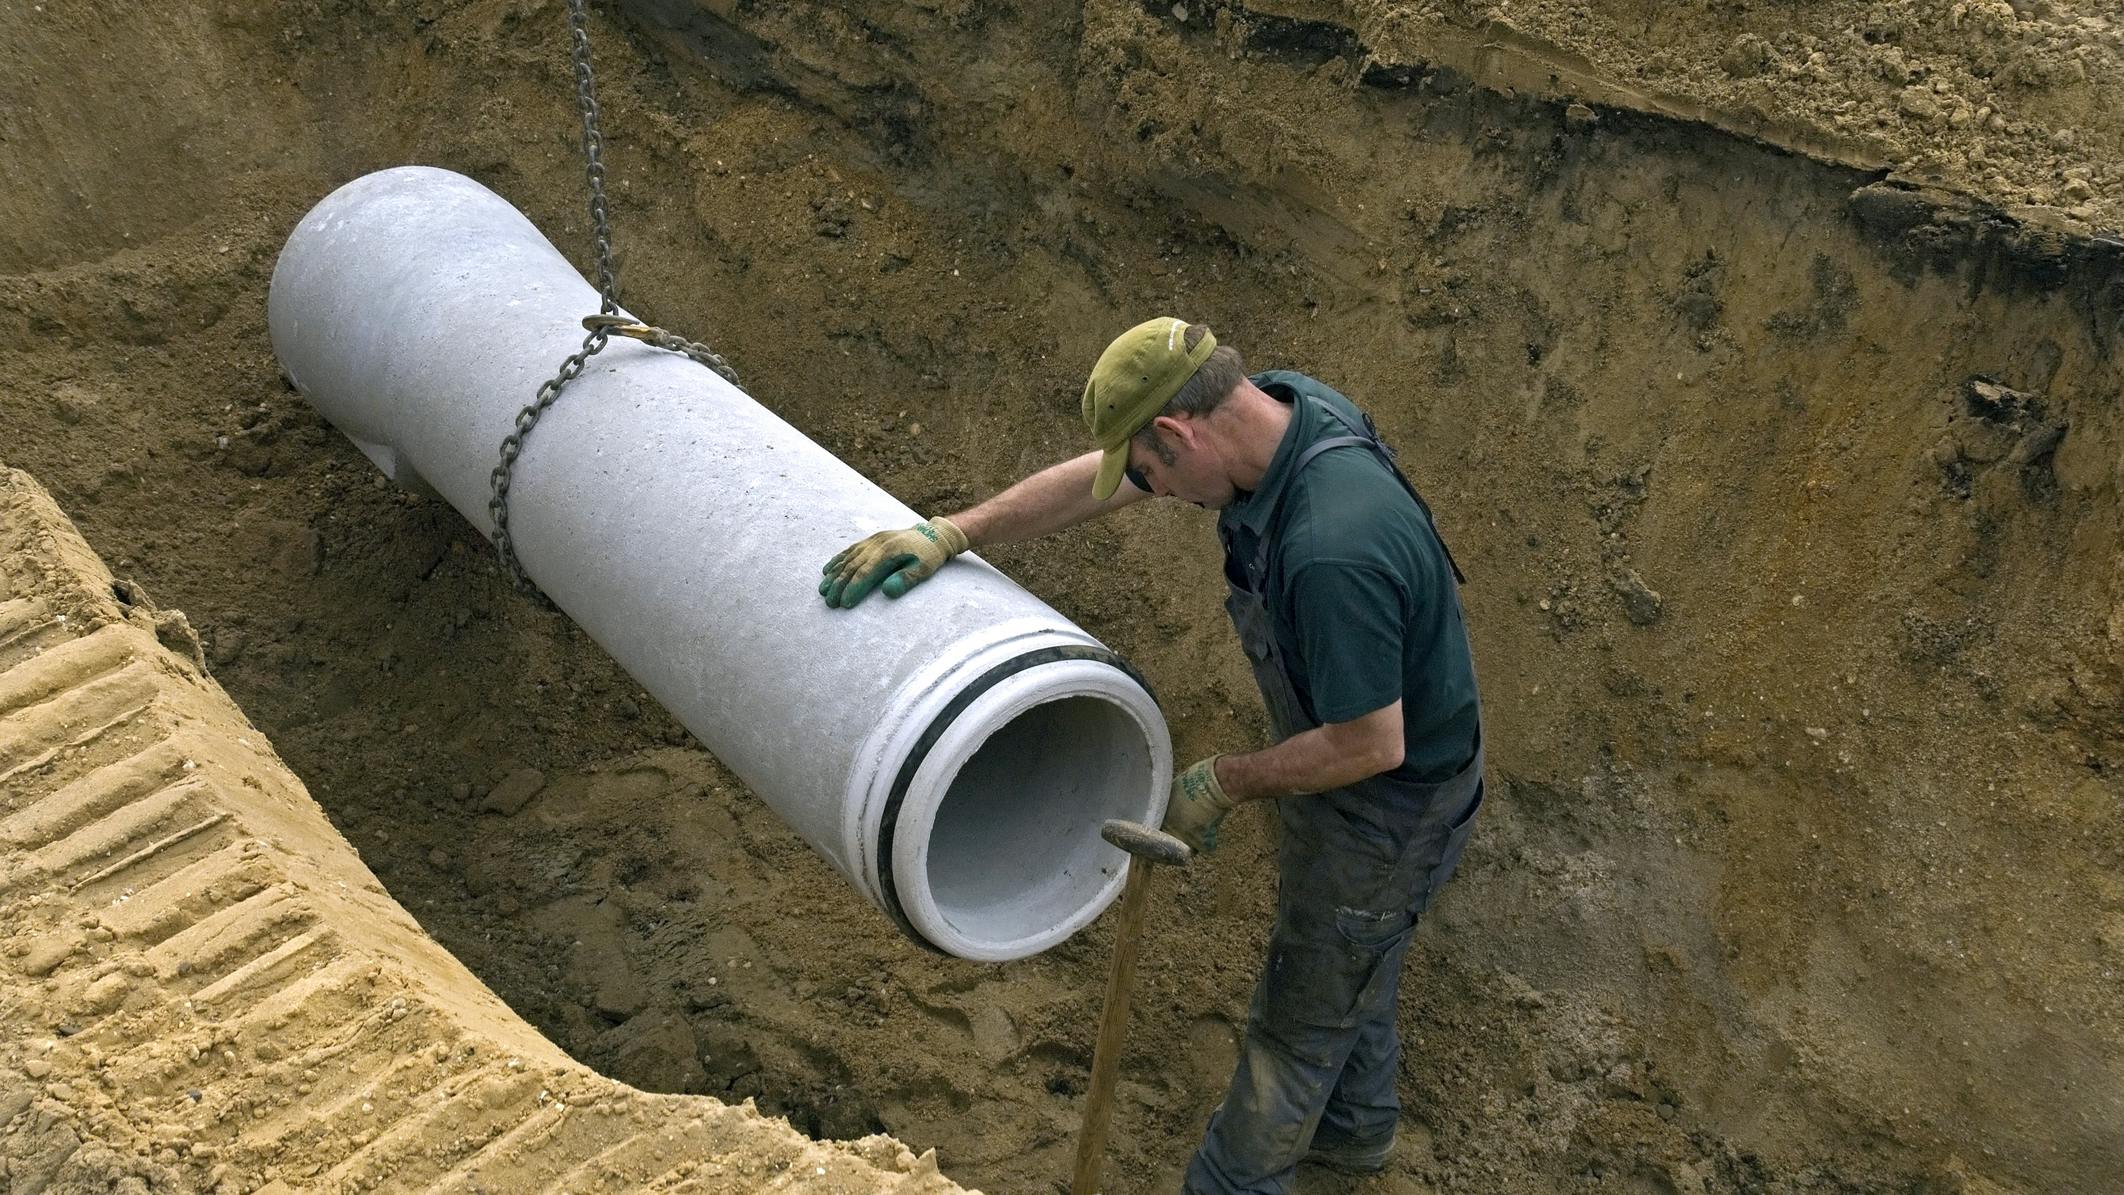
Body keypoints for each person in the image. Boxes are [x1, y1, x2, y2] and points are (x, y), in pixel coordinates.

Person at [819, 317, 1485, 1194]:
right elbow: (1099, 487)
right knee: (1352, 947)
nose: (1156, 492)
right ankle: (1356, 1129)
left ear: (1177, 431)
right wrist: (955, 531)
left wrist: (1224, 780)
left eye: (1151, 471)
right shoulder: (1274, 411)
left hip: (1391, 800)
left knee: (1297, 1022)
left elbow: (1370, 741)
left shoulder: (1332, 546)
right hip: (1356, 768)